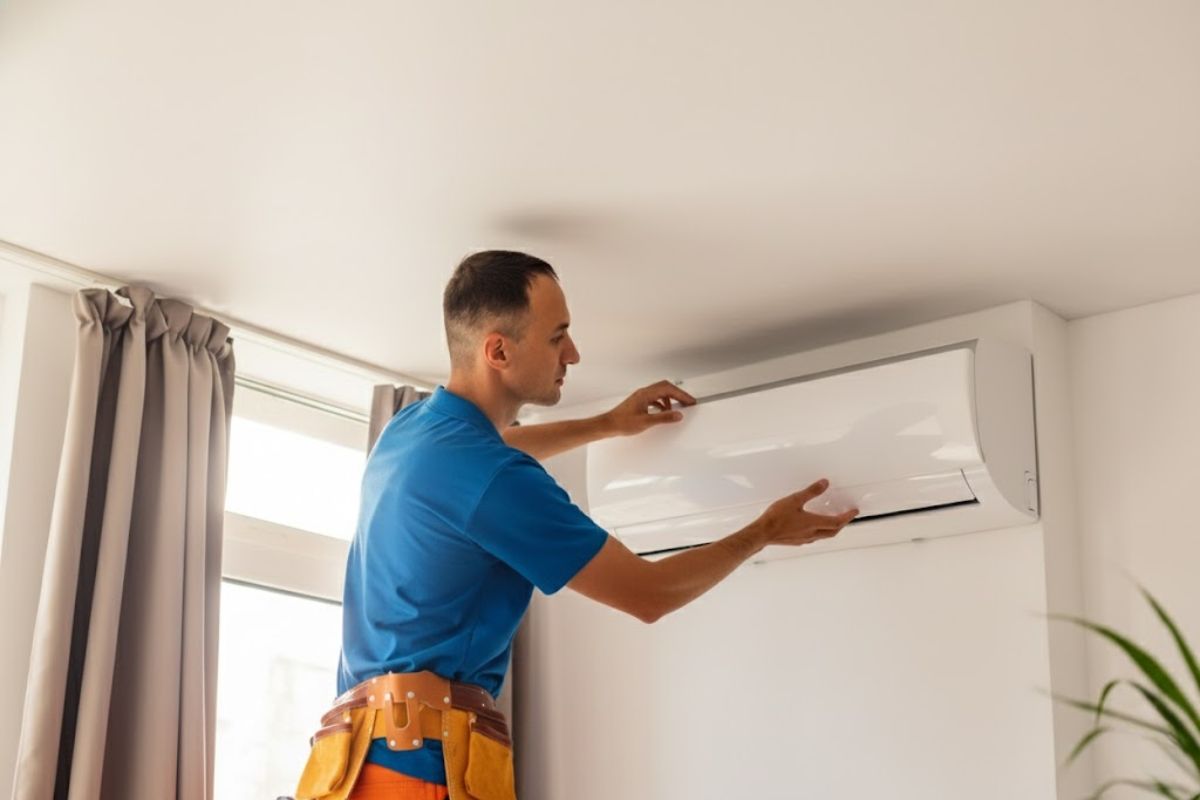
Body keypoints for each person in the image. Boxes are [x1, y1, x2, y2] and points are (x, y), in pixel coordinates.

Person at [294, 251, 858, 800]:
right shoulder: (491, 477)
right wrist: (763, 531)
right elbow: (649, 593)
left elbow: (495, 448)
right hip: (419, 771)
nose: (575, 354)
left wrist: (609, 423)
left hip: (352, 764)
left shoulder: (412, 431)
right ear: (498, 350)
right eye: (557, 336)